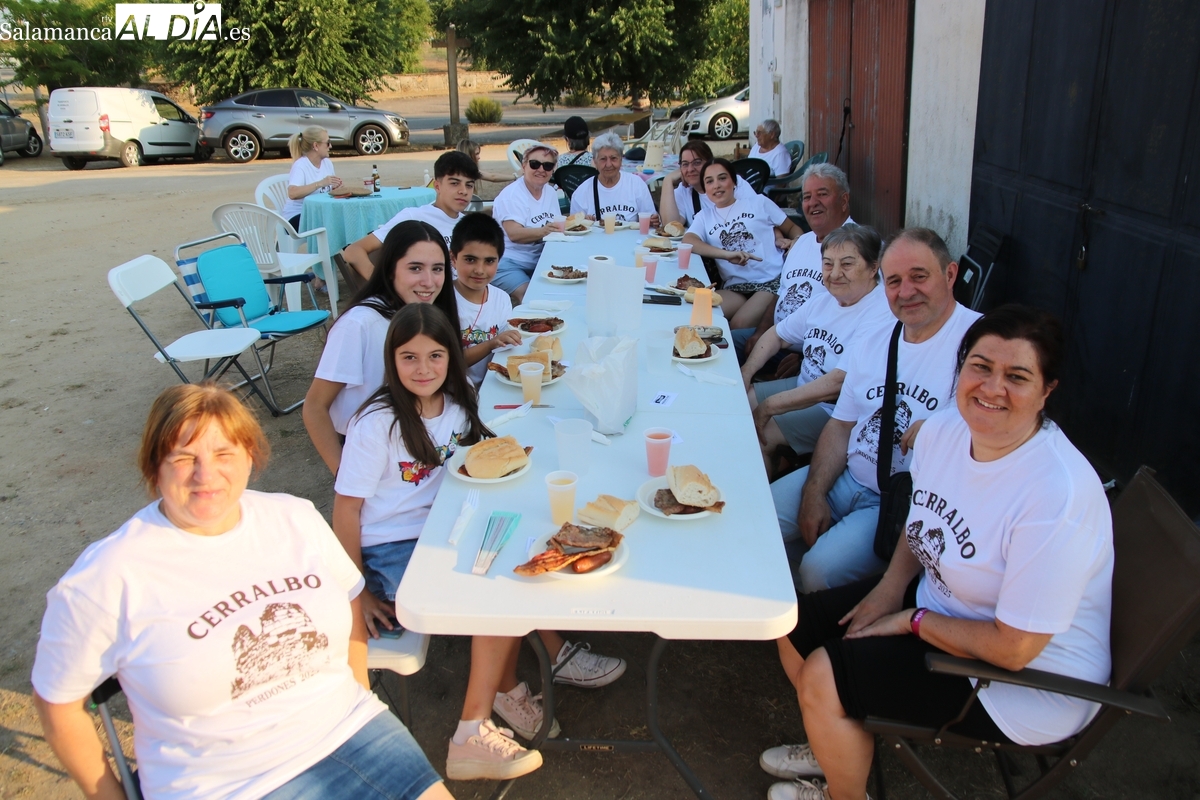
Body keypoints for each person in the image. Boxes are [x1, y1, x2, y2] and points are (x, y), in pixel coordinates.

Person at [31, 383, 453, 800]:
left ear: (250, 456)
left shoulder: (293, 518)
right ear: (154, 465)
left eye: (223, 453)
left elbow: (349, 600)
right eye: (184, 457)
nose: (206, 475)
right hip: (227, 782)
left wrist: (358, 696)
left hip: (353, 731)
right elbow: (59, 704)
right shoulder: (107, 578)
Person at [761, 306, 1113, 800]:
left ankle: (844, 789)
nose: (992, 388)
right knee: (793, 627)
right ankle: (832, 743)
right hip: (948, 609)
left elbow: (1014, 649)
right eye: (980, 366)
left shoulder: (1055, 495)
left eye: (1017, 376)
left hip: (1026, 684)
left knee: (824, 674)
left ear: (1047, 390)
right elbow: (922, 519)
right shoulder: (946, 431)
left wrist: (912, 621)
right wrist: (889, 590)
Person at [771, 227, 981, 593]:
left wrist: (947, 423)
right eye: (894, 281)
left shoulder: (981, 342)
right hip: (847, 475)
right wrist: (814, 492)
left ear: (950, 274)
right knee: (757, 517)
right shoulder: (875, 339)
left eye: (919, 276)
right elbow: (841, 425)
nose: (906, 292)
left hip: (900, 501)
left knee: (818, 569)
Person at [303, 221, 462, 477]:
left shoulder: (432, 316)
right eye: (415, 268)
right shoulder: (359, 324)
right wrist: (344, 476)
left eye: (437, 269)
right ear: (389, 270)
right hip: (373, 456)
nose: (429, 281)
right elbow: (314, 407)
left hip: (428, 445)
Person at [742, 224, 891, 478]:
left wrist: (771, 405)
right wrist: (747, 372)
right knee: (738, 402)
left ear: (873, 268)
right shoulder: (825, 301)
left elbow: (838, 382)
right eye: (828, 264)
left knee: (756, 434)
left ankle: (759, 491)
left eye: (847, 264)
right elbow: (776, 334)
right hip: (805, 384)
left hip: (836, 411)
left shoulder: (880, 313)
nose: (835, 274)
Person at [736, 163, 854, 368]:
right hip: (774, 340)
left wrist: (807, 359)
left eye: (822, 194)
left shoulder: (858, 249)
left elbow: (856, 322)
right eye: (807, 197)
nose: (813, 203)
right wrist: (761, 331)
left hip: (815, 358)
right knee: (718, 345)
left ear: (843, 200)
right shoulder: (802, 242)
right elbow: (780, 294)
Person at [681, 158, 802, 329]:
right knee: (696, 314)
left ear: (734, 182)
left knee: (738, 324)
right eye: (709, 181)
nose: (716, 185)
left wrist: (796, 242)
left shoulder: (758, 203)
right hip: (735, 287)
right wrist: (726, 255)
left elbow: (792, 228)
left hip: (769, 281)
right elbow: (688, 240)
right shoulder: (704, 216)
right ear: (705, 188)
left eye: (722, 178)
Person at [342, 150, 480, 281]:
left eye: (469, 185)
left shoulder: (469, 226)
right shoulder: (414, 217)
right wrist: (380, 284)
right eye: (455, 183)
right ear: (437, 186)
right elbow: (354, 250)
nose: (463, 191)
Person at [452, 213, 524, 386]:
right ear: (453, 258)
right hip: (457, 391)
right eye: (470, 259)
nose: (479, 270)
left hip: (493, 385)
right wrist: (490, 344)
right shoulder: (443, 300)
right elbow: (448, 362)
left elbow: (506, 350)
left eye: (489, 261)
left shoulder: (501, 298)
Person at [490, 143, 562, 304]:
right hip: (508, 262)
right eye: (535, 164)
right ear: (523, 166)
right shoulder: (512, 195)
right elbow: (514, 234)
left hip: (541, 259)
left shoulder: (550, 192)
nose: (541, 169)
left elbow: (557, 225)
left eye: (548, 166)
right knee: (532, 297)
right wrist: (544, 231)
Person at [658, 139, 756, 228]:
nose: (690, 169)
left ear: (709, 163)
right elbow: (669, 225)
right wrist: (668, 180)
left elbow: (756, 217)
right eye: (685, 164)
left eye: (697, 162)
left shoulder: (732, 183)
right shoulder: (684, 190)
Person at [567, 132, 657, 225]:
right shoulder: (581, 193)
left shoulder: (636, 184)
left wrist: (652, 221)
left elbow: (651, 224)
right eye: (603, 159)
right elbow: (574, 229)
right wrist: (585, 224)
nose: (608, 164)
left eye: (613, 158)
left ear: (621, 160)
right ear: (595, 162)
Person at [282, 125, 342, 233]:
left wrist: (337, 188)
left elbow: (329, 192)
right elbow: (292, 193)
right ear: (316, 145)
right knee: (331, 224)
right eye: (327, 143)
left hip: (317, 213)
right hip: (297, 216)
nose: (330, 146)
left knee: (344, 219)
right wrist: (320, 183)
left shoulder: (327, 163)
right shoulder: (301, 165)